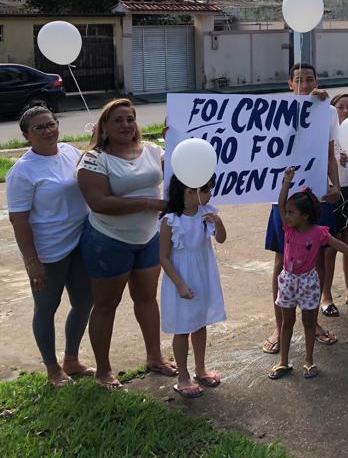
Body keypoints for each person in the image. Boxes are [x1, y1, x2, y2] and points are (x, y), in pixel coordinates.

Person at [77, 98, 175, 389]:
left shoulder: (154, 151)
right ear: (104, 127)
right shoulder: (94, 159)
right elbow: (99, 202)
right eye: (118, 120)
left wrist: (178, 139)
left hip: (148, 238)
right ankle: (103, 370)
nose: (126, 125)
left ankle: (155, 357)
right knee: (106, 305)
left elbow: (183, 170)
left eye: (130, 119)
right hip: (108, 241)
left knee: (147, 298)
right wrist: (150, 203)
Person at [7, 107, 93, 387]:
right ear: (26, 136)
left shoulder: (69, 152)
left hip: (79, 242)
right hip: (48, 251)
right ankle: (52, 368)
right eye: (39, 128)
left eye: (51, 124)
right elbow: (18, 219)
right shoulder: (23, 171)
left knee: (84, 302)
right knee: (46, 307)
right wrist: (32, 261)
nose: (47, 131)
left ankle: (72, 360)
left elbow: (92, 165)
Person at [261, 63, 341, 355]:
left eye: (309, 79)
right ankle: (279, 325)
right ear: (289, 83)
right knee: (281, 260)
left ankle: (312, 322)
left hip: (314, 196)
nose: (305, 85)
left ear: (317, 82)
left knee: (316, 259)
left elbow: (329, 153)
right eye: (299, 80)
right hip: (283, 198)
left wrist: (335, 185)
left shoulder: (327, 112)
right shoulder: (277, 111)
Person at [270, 167, 348, 379]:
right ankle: (283, 362)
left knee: (308, 323)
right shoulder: (288, 228)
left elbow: (340, 245)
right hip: (288, 282)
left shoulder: (318, 233)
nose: (286, 215)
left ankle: (308, 360)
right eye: (287, 212)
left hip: (309, 283)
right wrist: (287, 181)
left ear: (305, 216)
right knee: (287, 323)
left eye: (291, 212)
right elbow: (280, 202)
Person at [159, 175, 226, 399]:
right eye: (206, 190)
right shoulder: (170, 221)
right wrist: (180, 285)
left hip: (202, 276)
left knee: (199, 323)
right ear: (189, 191)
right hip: (181, 279)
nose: (210, 195)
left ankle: (200, 368)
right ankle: (183, 376)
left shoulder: (206, 214)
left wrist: (218, 222)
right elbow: (164, 257)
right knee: (182, 328)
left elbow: (221, 239)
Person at [323, 93, 348, 314]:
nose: (346, 111)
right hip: (331, 192)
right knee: (329, 248)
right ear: (333, 109)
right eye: (341, 107)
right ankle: (326, 296)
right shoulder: (325, 132)